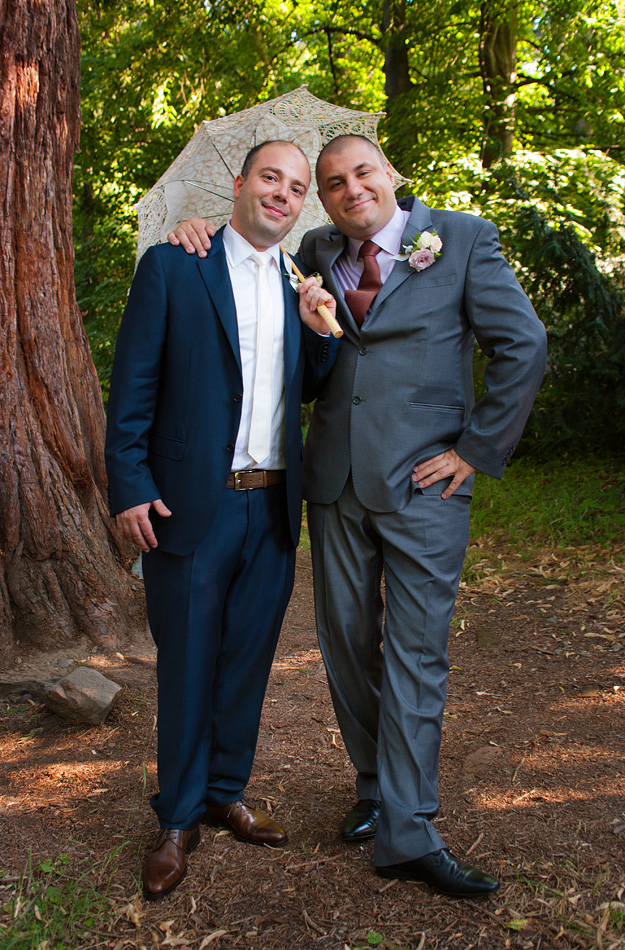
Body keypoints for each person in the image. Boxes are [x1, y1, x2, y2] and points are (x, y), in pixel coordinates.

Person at [168, 134, 548, 898]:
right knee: (345, 647)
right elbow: (258, 282)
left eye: (362, 172)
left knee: (414, 652)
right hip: (334, 484)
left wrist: (474, 450)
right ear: (324, 198)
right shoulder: (311, 251)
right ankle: (375, 787)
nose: (351, 190)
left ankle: (410, 829)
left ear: (390, 173)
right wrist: (196, 230)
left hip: (424, 486)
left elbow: (524, 344)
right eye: (334, 182)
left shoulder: (461, 238)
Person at [105, 140, 339, 901]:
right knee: (187, 664)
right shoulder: (177, 264)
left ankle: (225, 792)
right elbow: (132, 385)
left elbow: (311, 387)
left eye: (296, 187)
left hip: (271, 506)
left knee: (246, 660)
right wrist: (129, 486)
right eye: (271, 178)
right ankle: (177, 818)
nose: (283, 194)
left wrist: (319, 327)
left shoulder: (300, 282)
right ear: (239, 184)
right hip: (189, 504)